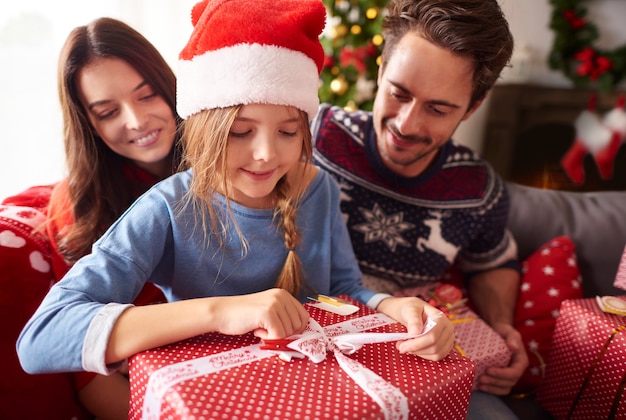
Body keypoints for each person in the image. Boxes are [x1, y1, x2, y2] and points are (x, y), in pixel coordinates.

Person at [17, 0, 455, 408]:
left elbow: (345, 289)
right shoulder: (166, 207)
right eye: (240, 132)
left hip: (318, 396)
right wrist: (222, 311)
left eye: (287, 131)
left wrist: (395, 307)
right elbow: (41, 338)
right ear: (204, 128)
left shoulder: (316, 188)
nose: (267, 153)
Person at [311, 0, 528, 418]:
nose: (407, 125)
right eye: (399, 93)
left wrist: (502, 327)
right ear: (379, 71)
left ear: (472, 108)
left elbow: (492, 262)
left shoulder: (478, 189)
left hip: (418, 362)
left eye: (438, 108)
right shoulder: (314, 136)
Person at [45, 17, 184, 419]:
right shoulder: (77, 205)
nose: (137, 121)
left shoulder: (225, 164)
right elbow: (89, 378)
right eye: (108, 111)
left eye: (147, 95)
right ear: (88, 123)